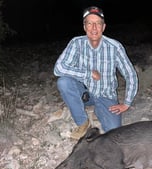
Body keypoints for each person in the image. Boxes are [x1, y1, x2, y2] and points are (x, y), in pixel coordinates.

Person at [54, 6, 139, 140]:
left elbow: (131, 75)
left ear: (103, 27)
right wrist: (88, 74)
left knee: (114, 133)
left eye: (98, 23)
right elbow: (58, 68)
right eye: (89, 23)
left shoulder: (115, 47)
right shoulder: (76, 43)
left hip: (106, 95)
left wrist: (126, 103)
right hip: (85, 94)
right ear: (84, 27)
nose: (94, 28)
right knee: (64, 81)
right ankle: (82, 122)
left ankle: (100, 110)